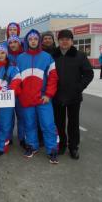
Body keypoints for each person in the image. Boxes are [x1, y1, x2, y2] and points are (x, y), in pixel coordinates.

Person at [16, 29, 59, 164]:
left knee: (48, 124)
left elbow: (53, 77)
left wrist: (48, 94)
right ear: (27, 42)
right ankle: (32, 146)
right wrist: (20, 94)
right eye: (30, 39)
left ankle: (52, 149)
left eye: (35, 39)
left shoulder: (47, 57)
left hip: (43, 98)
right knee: (29, 124)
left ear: (38, 41)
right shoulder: (20, 58)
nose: (33, 41)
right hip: (27, 98)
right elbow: (16, 79)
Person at [52, 29, 94, 160]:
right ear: (58, 41)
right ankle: (62, 144)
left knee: (73, 123)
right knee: (59, 122)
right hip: (57, 96)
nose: (64, 41)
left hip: (74, 96)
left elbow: (89, 73)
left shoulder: (79, 55)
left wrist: (79, 87)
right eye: (62, 39)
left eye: (67, 39)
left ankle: (73, 147)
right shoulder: (53, 55)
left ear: (71, 41)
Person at [0, 44, 21, 156]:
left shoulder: (12, 67)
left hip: (6, 100)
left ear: (6, 54)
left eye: (2, 53)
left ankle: (1, 146)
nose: (0, 55)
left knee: (5, 123)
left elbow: (17, 80)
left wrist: (9, 88)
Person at [7, 35, 25, 147]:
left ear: (19, 43)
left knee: (22, 116)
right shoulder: (5, 55)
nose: (13, 44)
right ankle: (8, 137)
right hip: (7, 92)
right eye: (10, 42)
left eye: (15, 42)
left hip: (21, 92)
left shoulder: (24, 56)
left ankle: (22, 137)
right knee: (8, 117)